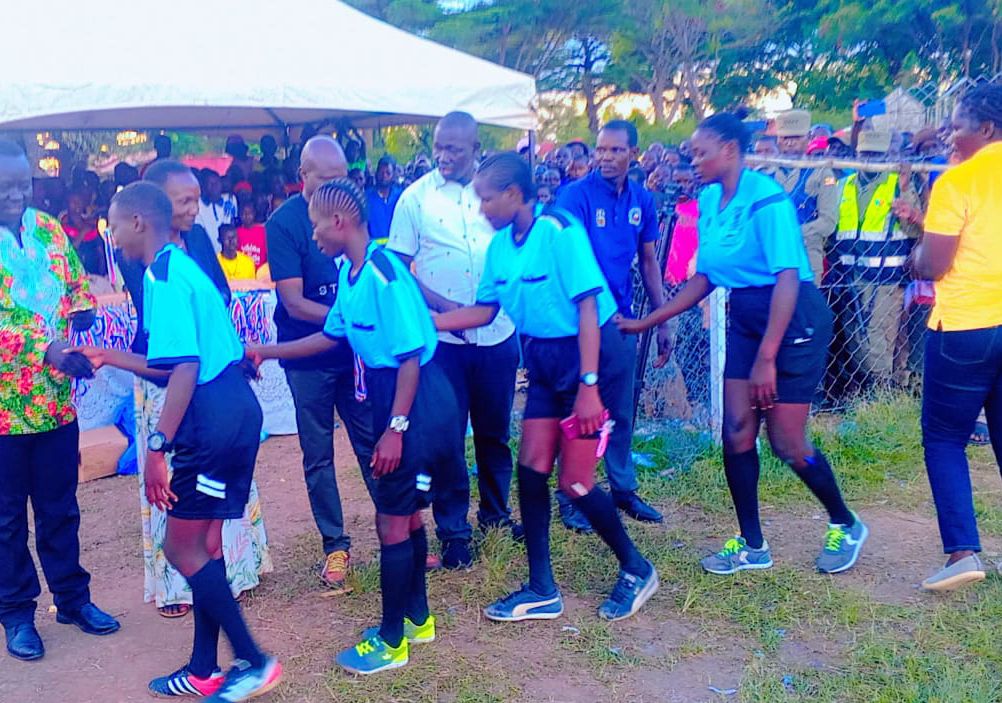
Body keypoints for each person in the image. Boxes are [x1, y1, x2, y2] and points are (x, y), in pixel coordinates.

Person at [619, 113, 868, 576]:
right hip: (747, 317)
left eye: (700, 152)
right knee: (735, 432)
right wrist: (648, 321)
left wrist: (768, 358)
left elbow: (788, 278)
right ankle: (752, 545)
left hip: (791, 318)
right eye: (690, 153)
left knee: (788, 443)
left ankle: (845, 522)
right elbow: (706, 277)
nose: (692, 161)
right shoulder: (710, 200)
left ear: (729, 150)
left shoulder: (766, 199)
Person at [436, 153, 659, 623]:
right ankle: (541, 588)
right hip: (542, 360)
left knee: (576, 482)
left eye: (487, 199)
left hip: (588, 356)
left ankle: (637, 568)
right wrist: (431, 323)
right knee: (531, 470)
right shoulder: (500, 247)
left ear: (515, 195)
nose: (482, 210)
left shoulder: (558, 232)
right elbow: (484, 312)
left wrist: (589, 386)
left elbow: (586, 309)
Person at [248, 178, 451, 674]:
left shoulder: (382, 273)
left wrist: (396, 428)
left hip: (414, 395)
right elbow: (330, 337)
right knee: (404, 513)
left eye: (316, 222)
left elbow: (409, 358)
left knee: (390, 520)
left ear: (338, 222)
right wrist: (264, 351)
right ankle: (417, 619)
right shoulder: (350, 272)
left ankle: (390, 641)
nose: (312, 232)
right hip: (392, 394)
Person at [88, 182, 281, 699]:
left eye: (113, 224)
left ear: (138, 223)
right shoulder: (183, 264)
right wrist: (107, 356)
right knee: (207, 544)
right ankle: (201, 669)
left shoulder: (162, 274)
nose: (111, 236)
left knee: (180, 547)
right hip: (234, 409)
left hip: (212, 422)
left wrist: (156, 447)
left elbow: (186, 369)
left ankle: (254, 660)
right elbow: (169, 364)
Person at [0, 139, 120, 662]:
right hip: (5, 413)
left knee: (60, 510)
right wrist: (47, 348)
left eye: (22, 185)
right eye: (4, 187)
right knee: (5, 520)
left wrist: (83, 316)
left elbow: (75, 286)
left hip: (54, 405)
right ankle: (17, 613)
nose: (14, 197)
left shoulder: (48, 230)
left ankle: (73, 599)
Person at [388, 112, 521, 568]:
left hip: (498, 335)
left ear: (475, 146)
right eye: (439, 147)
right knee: (445, 437)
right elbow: (398, 270)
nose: (444, 156)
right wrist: (445, 310)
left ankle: (497, 516)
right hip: (444, 345)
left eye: (455, 150)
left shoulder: (494, 195)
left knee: (494, 432)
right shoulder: (415, 199)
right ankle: (454, 533)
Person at [266, 136, 376, 591]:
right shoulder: (284, 223)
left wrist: (353, 326)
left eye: (343, 177)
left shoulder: (354, 217)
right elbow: (292, 302)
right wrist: (350, 319)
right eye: (327, 179)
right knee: (318, 454)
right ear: (303, 178)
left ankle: (402, 528)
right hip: (307, 354)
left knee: (373, 443)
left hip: (353, 355)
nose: (338, 186)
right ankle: (335, 545)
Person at [911, 83, 1002, 591]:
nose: (952, 134)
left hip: (965, 327)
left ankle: (963, 552)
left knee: (945, 437)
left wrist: (916, 257)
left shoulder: (957, 182)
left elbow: (936, 264)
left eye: (960, 125)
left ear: (986, 128)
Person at [555, 120, 667, 532]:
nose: (604, 157)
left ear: (632, 154)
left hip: (620, 319)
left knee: (620, 408)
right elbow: (567, 263)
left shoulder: (643, 200)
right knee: (576, 408)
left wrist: (662, 318)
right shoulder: (574, 197)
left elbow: (650, 260)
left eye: (615, 150)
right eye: (600, 150)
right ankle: (571, 492)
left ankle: (623, 488)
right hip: (578, 322)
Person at [833, 130, 922, 389]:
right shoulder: (844, 185)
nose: (869, 159)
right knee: (855, 338)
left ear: (886, 156)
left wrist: (906, 201)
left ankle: (882, 392)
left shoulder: (898, 184)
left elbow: (915, 231)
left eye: (875, 154)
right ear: (857, 154)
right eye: (864, 154)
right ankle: (870, 388)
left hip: (886, 277)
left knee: (878, 338)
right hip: (851, 275)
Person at [772, 110, 840, 286]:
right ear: (777, 139)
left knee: (803, 311)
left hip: (806, 255)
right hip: (769, 257)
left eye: (796, 137)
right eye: (785, 138)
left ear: (808, 137)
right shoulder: (766, 173)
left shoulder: (822, 173)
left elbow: (828, 222)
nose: (790, 142)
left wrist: (793, 232)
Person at [195, 169, 238, 253]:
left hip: (228, 254)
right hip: (208, 254)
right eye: (211, 184)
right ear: (203, 186)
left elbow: (234, 224)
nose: (215, 186)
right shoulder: (197, 204)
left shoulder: (230, 199)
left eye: (217, 182)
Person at [366, 155, 402, 243]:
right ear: (376, 173)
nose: (384, 176)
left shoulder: (401, 196)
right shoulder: (366, 197)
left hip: (397, 248)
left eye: (388, 173)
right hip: (374, 250)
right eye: (381, 173)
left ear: (393, 175)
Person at [236, 200, 268, 270]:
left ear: (254, 214)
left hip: (261, 271)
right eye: (243, 213)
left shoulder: (263, 231)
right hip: (243, 271)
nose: (246, 216)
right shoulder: (237, 232)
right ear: (239, 215)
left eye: (249, 213)